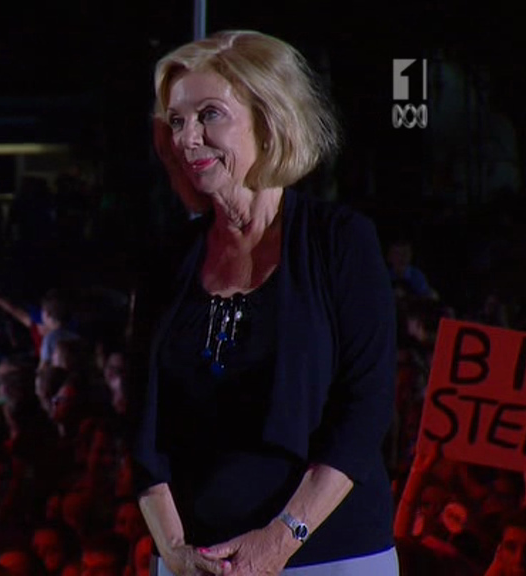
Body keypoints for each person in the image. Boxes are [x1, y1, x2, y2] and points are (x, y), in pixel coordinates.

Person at [132, 31, 398, 575]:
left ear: (268, 119)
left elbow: (365, 409)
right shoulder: (167, 259)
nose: (188, 138)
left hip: (329, 555)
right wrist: (173, 549)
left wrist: (279, 541)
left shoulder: (340, 241)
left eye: (209, 114)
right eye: (177, 121)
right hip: (194, 560)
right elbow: (142, 425)